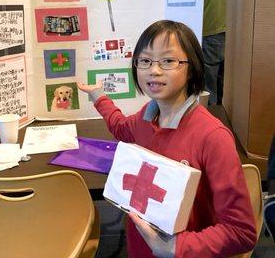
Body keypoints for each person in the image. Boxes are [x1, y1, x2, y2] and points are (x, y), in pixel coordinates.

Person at [77, 20, 256, 258]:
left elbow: (241, 232)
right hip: (139, 247)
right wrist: (98, 96)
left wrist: (174, 248)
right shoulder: (146, 116)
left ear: (191, 67)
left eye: (168, 61)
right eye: (145, 61)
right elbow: (121, 127)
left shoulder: (213, 137)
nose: (154, 70)